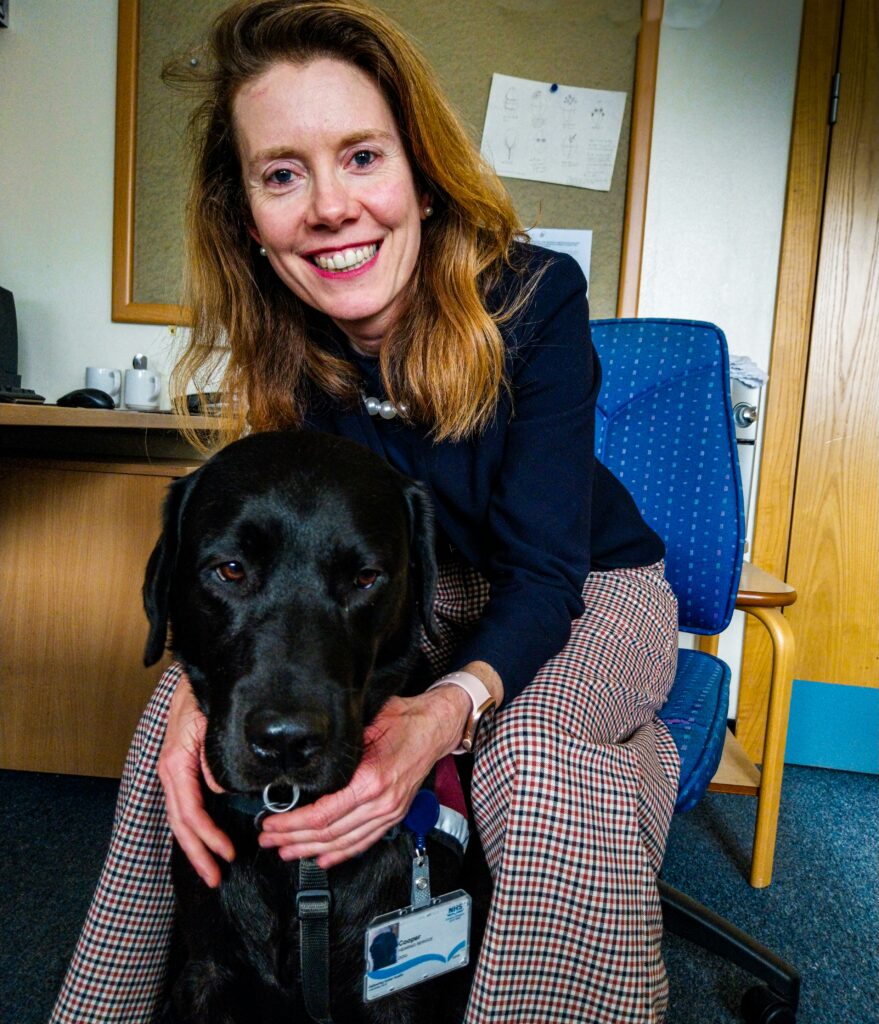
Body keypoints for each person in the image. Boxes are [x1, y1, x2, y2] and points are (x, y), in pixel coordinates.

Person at [52, 2, 680, 1021]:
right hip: (398, 583)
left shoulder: (534, 298)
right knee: (174, 736)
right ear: (249, 216)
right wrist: (189, 703)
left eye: (360, 156)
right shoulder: (287, 343)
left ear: (421, 176)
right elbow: (286, 571)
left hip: (587, 585)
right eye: (283, 174)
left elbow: (544, 577)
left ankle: (619, 782)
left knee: (535, 757)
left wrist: (442, 716)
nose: (331, 206)